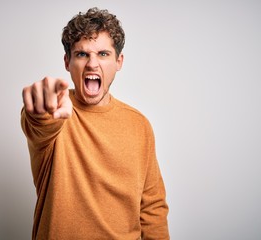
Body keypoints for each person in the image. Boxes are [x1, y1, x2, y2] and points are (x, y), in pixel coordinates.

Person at [21, 7, 169, 240]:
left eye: (103, 54)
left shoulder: (139, 125)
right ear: (67, 61)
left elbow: (152, 208)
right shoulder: (56, 110)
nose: (92, 64)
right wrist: (41, 110)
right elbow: (40, 124)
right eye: (81, 54)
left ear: (118, 61)